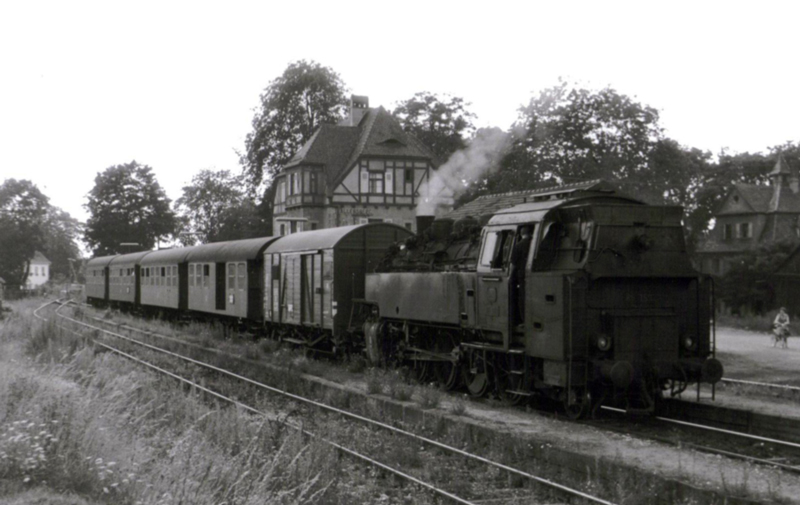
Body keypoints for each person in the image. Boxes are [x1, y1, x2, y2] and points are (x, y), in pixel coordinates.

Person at [510, 226, 533, 327]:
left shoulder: (518, 245)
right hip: (533, 275)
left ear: (520, 234)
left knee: (522, 298)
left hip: (523, 276)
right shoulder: (534, 244)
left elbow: (513, 263)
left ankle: (524, 321)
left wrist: (510, 277)